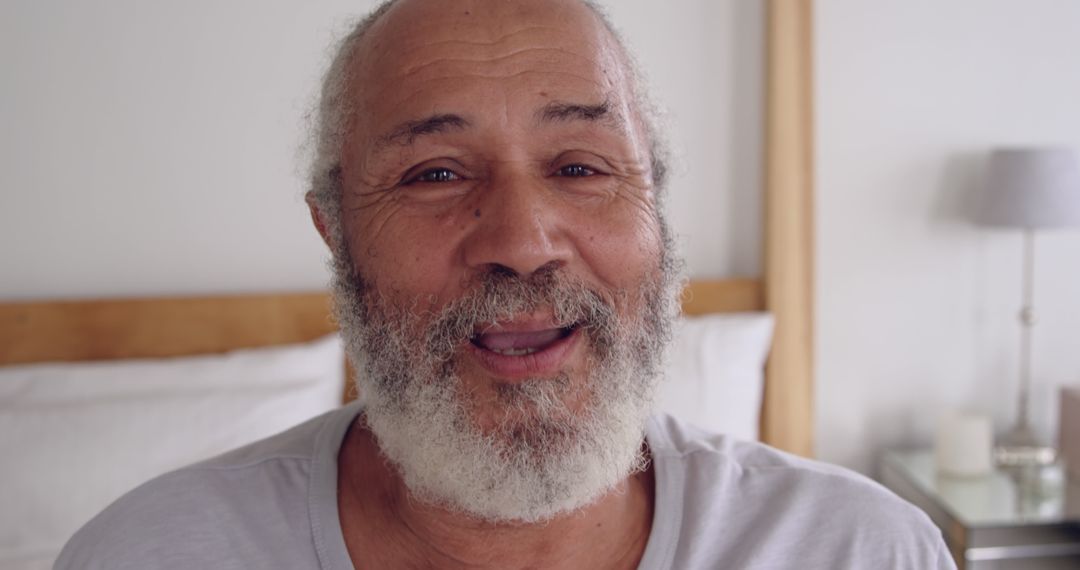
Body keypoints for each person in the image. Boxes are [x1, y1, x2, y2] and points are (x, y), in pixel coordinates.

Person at [57, 0, 955, 568]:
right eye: (436, 175)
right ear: (337, 233)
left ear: (657, 212)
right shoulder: (146, 553)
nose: (523, 244)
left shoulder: (857, 549)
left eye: (580, 166)